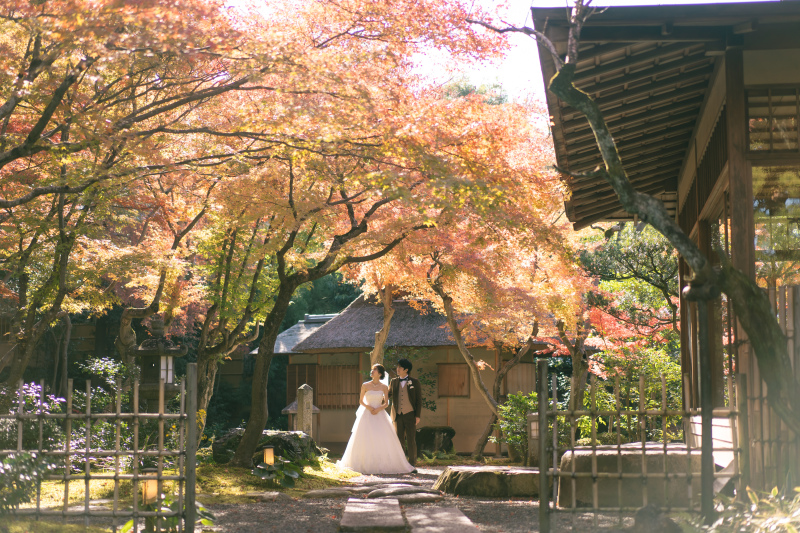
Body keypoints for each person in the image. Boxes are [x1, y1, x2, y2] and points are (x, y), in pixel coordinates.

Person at [337, 364, 414, 474]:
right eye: (372, 369)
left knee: (381, 438)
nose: (372, 371)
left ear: (380, 373)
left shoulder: (383, 387)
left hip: (379, 413)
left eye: (374, 370)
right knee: (364, 437)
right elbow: (361, 401)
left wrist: (378, 409)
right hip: (367, 413)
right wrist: (369, 407)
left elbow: (386, 403)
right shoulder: (365, 385)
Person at [388, 358, 422, 468]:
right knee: (399, 439)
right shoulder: (393, 381)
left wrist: (417, 415)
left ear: (406, 370)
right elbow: (388, 395)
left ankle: (412, 463)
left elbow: (418, 400)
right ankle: (401, 463)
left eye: (400, 367)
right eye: (397, 367)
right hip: (397, 415)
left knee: (411, 439)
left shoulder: (415, 382)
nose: (397, 369)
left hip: (410, 414)